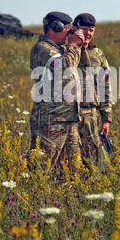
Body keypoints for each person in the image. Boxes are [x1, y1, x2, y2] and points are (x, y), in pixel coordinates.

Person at [29, 11, 84, 173]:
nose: (69, 33)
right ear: (56, 27)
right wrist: (74, 46)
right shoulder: (43, 49)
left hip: (69, 118)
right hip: (50, 119)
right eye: (68, 28)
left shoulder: (61, 49)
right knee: (41, 168)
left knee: (71, 170)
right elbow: (65, 67)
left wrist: (80, 44)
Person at [73, 13, 112, 170]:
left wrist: (107, 119)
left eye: (91, 30)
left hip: (91, 115)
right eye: (84, 29)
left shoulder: (98, 54)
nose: (88, 34)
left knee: (94, 160)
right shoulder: (66, 52)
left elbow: (105, 87)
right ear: (75, 29)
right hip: (69, 115)